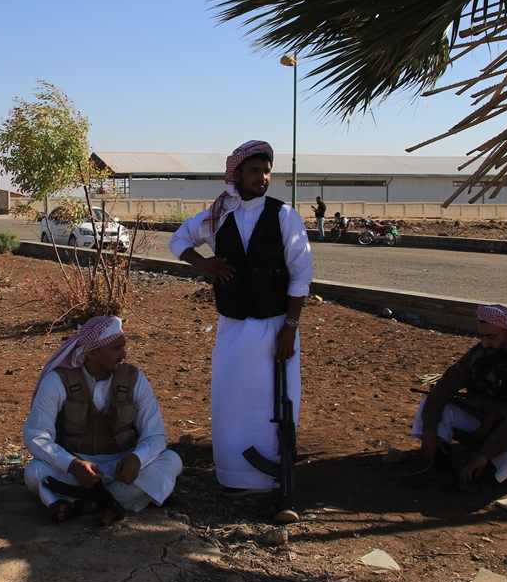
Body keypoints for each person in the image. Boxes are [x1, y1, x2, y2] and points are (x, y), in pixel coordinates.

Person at [169, 141, 313, 519]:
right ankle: (234, 475)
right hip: (233, 328)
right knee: (231, 402)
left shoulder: (285, 216)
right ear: (237, 175)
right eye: (254, 171)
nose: (262, 177)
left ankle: (273, 478)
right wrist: (207, 265)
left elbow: (301, 276)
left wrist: (290, 328)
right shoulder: (219, 214)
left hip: (275, 327)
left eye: (266, 170)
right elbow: (178, 240)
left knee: (274, 403)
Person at [23, 316, 183, 522]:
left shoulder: (134, 379)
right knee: (35, 472)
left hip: (121, 467)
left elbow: (155, 436)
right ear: (92, 353)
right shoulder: (58, 381)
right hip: (76, 468)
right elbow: (36, 435)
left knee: (172, 461)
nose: (124, 354)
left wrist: (137, 459)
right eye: (116, 348)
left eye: (123, 346)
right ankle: (128, 496)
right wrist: (73, 465)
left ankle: (85, 505)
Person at [402, 305, 507, 491]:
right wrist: (430, 431)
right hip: (489, 426)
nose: (485, 342)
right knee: (433, 405)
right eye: (481, 336)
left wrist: (485, 454)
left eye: (491, 337)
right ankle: (441, 470)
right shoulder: (480, 354)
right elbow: (443, 389)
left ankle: (484, 476)